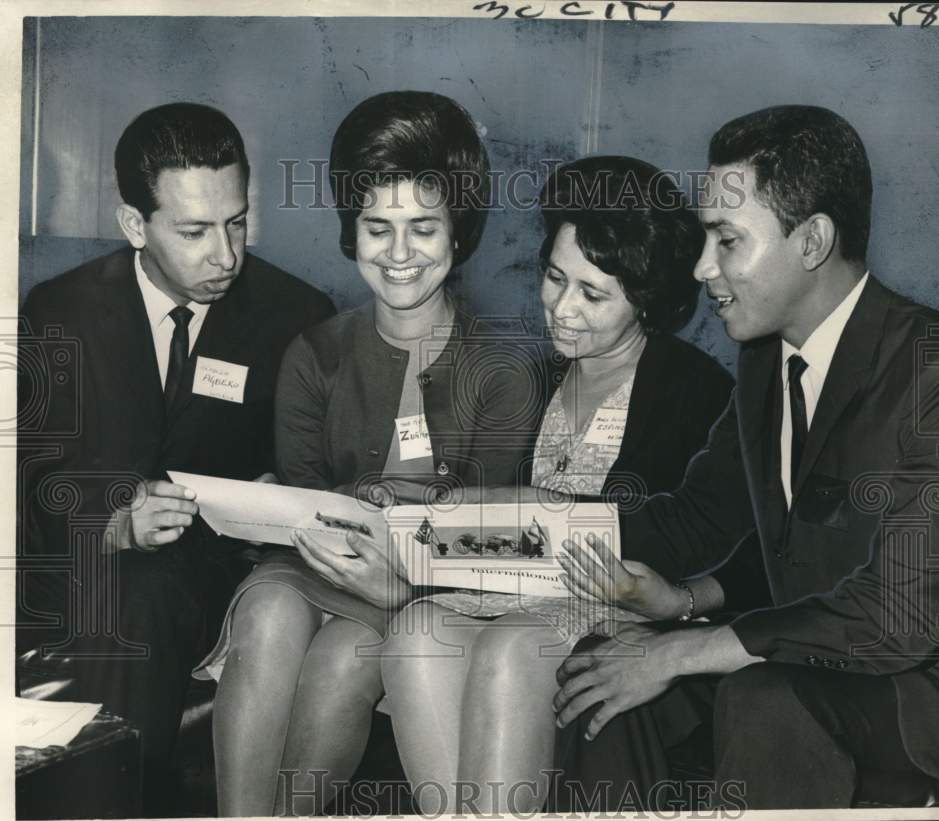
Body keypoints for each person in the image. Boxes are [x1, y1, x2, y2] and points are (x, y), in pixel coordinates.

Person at [553, 105, 939, 810]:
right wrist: (521, 528)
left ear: (811, 240)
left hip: (938, 694)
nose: (701, 267)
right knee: (598, 672)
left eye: (725, 240)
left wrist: (681, 648)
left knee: (762, 693)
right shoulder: (763, 360)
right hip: (811, 655)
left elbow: (897, 613)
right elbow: (697, 520)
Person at [198, 90, 540, 817]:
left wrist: (395, 581)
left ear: (459, 233)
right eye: (376, 228)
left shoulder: (505, 368)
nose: (400, 254)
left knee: (340, 659)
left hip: (424, 587)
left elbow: (488, 534)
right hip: (313, 564)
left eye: (424, 227)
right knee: (267, 618)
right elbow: (303, 494)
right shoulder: (316, 352)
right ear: (351, 232)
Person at [381, 156, 742, 814]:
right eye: (554, 277)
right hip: (518, 599)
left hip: (625, 617)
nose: (562, 308)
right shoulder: (534, 378)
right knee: (414, 631)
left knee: (512, 648)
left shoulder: (697, 392)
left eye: (593, 294)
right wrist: (428, 513)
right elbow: (483, 516)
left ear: (647, 302)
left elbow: (708, 542)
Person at [16, 102, 335, 814]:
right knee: (126, 588)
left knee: (144, 593)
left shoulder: (297, 317)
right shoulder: (59, 309)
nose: (225, 255)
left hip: (216, 582)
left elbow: (320, 477)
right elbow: (28, 481)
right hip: (83, 568)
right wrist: (112, 518)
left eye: (238, 222)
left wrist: (276, 495)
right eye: (194, 231)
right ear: (136, 225)